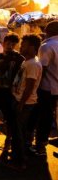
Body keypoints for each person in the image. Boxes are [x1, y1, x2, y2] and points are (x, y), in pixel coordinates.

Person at [3, 34, 42, 170]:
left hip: (24, 104)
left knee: (17, 133)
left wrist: (20, 104)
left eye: (23, 45)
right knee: (17, 131)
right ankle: (18, 157)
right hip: (19, 100)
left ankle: (19, 162)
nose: (20, 47)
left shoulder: (33, 64)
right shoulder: (27, 61)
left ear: (32, 47)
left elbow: (30, 86)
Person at [0, 33, 24, 152]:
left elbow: (21, 77)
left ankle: (8, 141)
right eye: (8, 43)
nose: (10, 46)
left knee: (9, 117)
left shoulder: (19, 59)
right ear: (3, 43)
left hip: (10, 92)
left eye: (13, 44)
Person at [30, 21, 58, 156]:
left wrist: (33, 88)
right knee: (49, 116)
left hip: (46, 88)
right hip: (56, 89)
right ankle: (41, 143)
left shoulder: (46, 46)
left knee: (42, 117)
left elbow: (42, 70)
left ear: (48, 31)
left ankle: (40, 145)